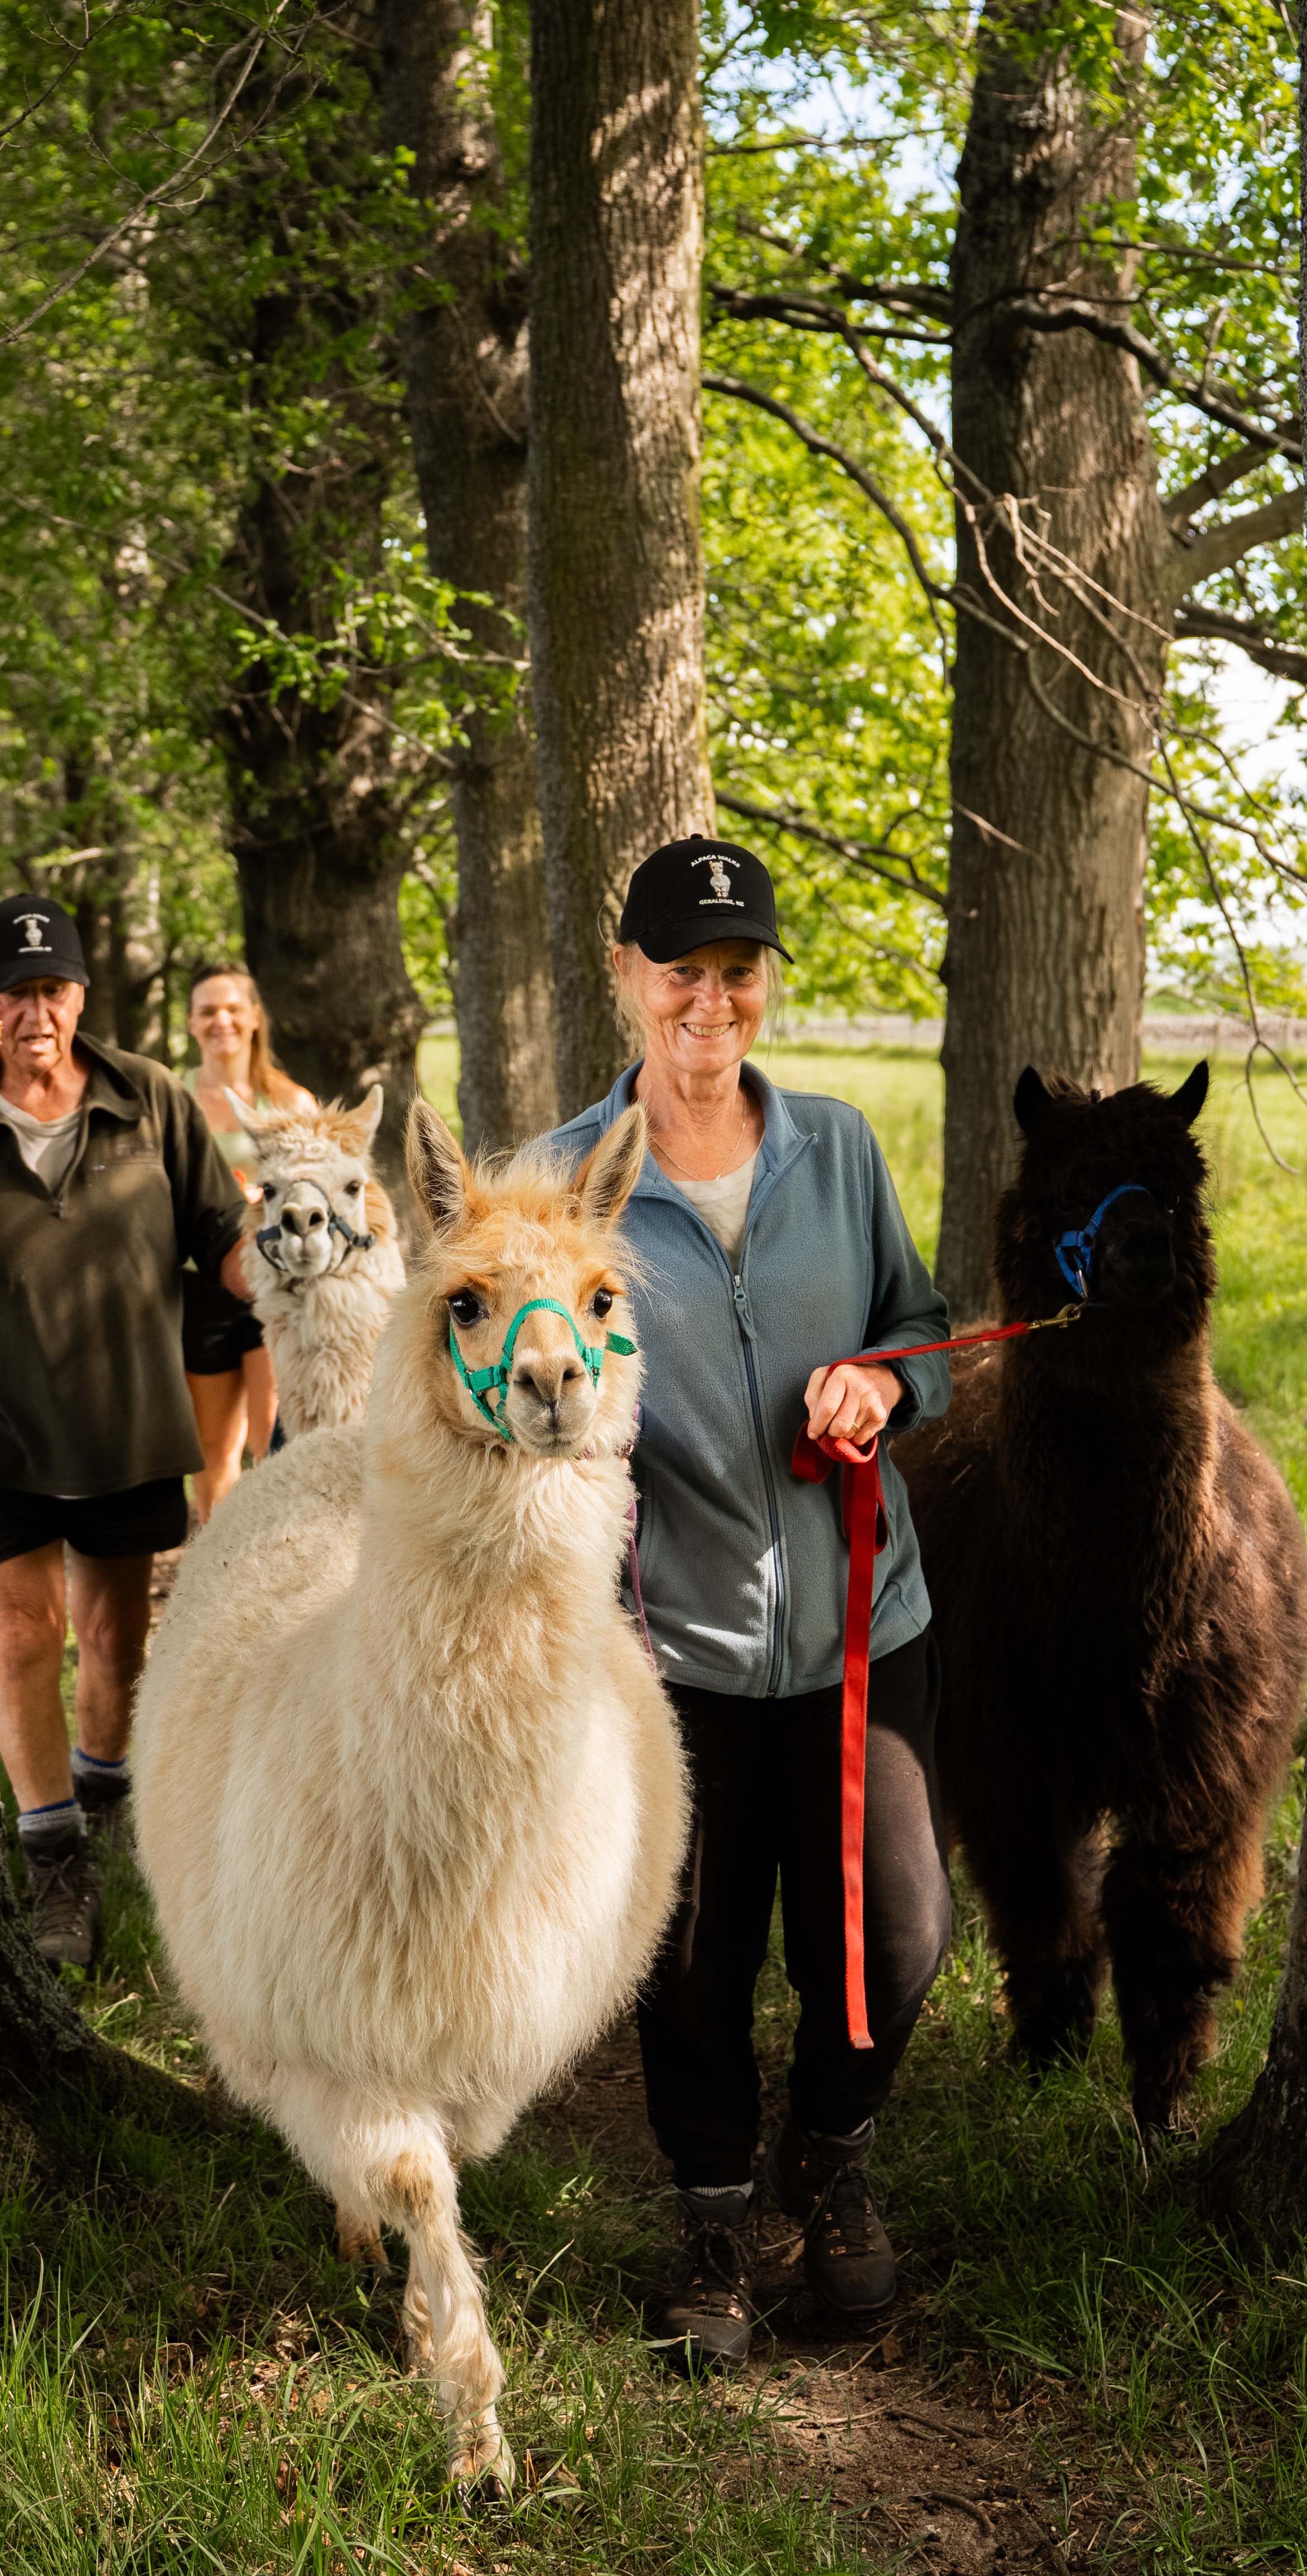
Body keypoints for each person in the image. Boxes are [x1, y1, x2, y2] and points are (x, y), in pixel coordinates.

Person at [533, 834, 954, 2371]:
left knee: (895, 1932)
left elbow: (918, 1327)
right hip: (670, 1651)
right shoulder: (563, 1180)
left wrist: (878, 1385)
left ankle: (829, 2162)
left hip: (864, 1627)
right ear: (630, 978)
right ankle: (714, 2212)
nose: (710, 1003)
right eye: (681, 973)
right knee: (694, 1949)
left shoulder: (837, 1149)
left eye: (737, 973)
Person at [0, 893, 254, 1969]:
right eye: (11, 991)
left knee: (114, 1642)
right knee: (18, 1635)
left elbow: (225, 1243)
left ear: (81, 995)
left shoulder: (148, 1100)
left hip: (122, 1419)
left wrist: (306, 1274)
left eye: (52, 989)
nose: (33, 1011)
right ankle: (54, 1865)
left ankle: (101, 1802)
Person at [179, 961, 312, 1523]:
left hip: (272, 1288)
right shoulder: (173, 1098)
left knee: (273, 1444)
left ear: (255, 1017)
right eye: (208, 1011)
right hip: (197, 1286)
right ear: (191, 1022)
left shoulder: (292, 1102)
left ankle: (272, 1571)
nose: (221, 1021)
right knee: (213, 1453)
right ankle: (216, 1568)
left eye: (234, 1008)